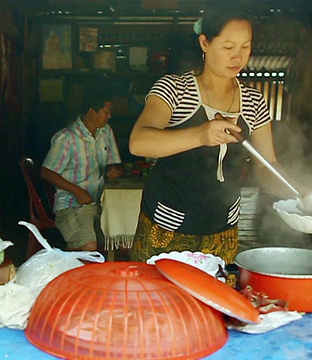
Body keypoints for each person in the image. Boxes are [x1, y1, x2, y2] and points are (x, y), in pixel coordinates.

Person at [128, 7, 297, 265]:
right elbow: (139, 142)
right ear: (204, 43)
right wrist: (200, 134)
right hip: (166, 227)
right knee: (158, 301)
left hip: (223, 229)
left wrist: (298, 194)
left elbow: (267, 166)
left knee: (215, 302)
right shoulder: (174, 89)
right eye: (228, 47)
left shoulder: (253, 102)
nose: (237, 56)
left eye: (245, 47)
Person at [41, 90, 123, 251]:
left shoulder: (105, 132)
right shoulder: (67, 138)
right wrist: (77, 191)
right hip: (71, 206)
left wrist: (111, 171)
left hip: (100, 202)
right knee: (88, 245)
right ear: (92, 111)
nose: (110, 116)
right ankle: (78, 273)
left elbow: (114, 164)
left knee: (122, 241)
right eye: (106, 111)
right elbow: (47, 172)